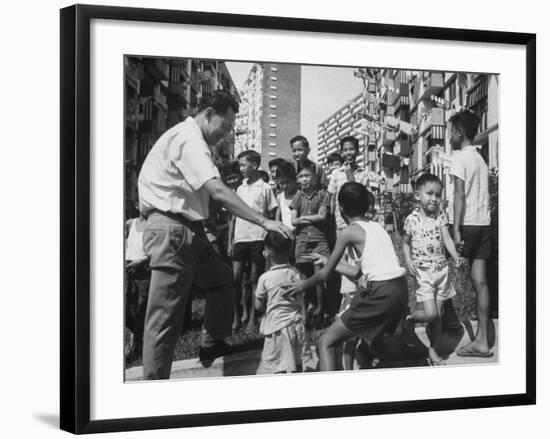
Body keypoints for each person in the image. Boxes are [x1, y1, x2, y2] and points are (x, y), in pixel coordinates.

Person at [138, 90, 291, 379]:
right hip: (172, 229)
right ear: (209, 113)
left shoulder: (192, 139)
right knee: (164, 320)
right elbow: (218, 192)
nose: (226, 134)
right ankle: (151, 389)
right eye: (226, 125)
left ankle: (212, 343)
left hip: (189, 230)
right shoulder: (189, 138)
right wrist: (264, 221)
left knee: (221, 280)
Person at [284, 182, 408, 371]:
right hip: (400, 289)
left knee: (325, 342)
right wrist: (328, 260)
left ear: (340, 209)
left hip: (380, 292)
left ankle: (332, 397)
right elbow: (357, 272)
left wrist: (302, 285)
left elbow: (324, 275)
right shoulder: (377, 227)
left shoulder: (348, 232)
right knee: (372, 339)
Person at [401, 173, 463, 366]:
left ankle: (433, 351)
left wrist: (455, 256)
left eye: (438, 195)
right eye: (429, 194)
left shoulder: (440, 217)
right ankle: (409, 319)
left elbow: (446, 239)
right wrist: (409, 260)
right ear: (418, 195)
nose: (434, 199)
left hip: (442, 272)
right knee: (431, 314)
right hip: (424, 274)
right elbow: (404, 243)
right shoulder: (411, 220)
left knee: (438, 319)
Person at [447, 110, 494, 358]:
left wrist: (455, 229)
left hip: (467, 224)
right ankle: (484, 341)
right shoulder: (480, 158)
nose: (449, 135)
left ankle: (450, 332)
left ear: (459, 132)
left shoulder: (459, 158)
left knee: (450, 278)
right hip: (484, 224)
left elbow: (458, 195)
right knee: (481, 281)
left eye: (451, 131)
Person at [233, 150, 278, 332]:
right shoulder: (240, 188)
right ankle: (237, 316)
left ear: (255, 165)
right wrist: (231, 240)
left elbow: (272, 212)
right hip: (240, 238)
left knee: (254, 278)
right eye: (240, 165)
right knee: (235, 279)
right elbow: (235, 215)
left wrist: (269, 236)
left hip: (258, 237)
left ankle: (253, 317)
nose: (241, 169)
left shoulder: (265, 188)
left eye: (244, 165)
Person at [254, 232, 312, 374]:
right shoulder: (295, 273)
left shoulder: (265, 278)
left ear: (266, 253)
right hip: (296, 326)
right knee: (296, 362)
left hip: (276, 328)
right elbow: (301, 298)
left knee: (277, 365)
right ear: (290, 251)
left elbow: (258, 306)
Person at [290, 159, 330, 319]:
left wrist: (303, 219)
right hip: (302, 242)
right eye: (300, 176)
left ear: (314, 177)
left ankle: (321, 310)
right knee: (304, 278)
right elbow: (294, 221)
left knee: (319, 277)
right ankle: (304, 312)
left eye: (307, 175)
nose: (304, 179)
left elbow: (323, 216)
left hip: (319, 240)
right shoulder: (297, 197)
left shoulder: (322, 195)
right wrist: (309, 218)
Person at [124, 213, 150, 362]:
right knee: (125, 309)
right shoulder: (130, 223)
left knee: (141, 308)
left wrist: (143, 261)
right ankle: (140, 334)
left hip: (144, 267)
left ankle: (137, 347)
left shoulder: (153, 224)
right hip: (128, 266)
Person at [275, 160, 298, 233]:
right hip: (285, 235)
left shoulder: (300, 195)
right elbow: (277, 218)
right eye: (281, 183)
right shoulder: (279, 197)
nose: (284, 186)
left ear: (294, 179)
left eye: (287, 182)